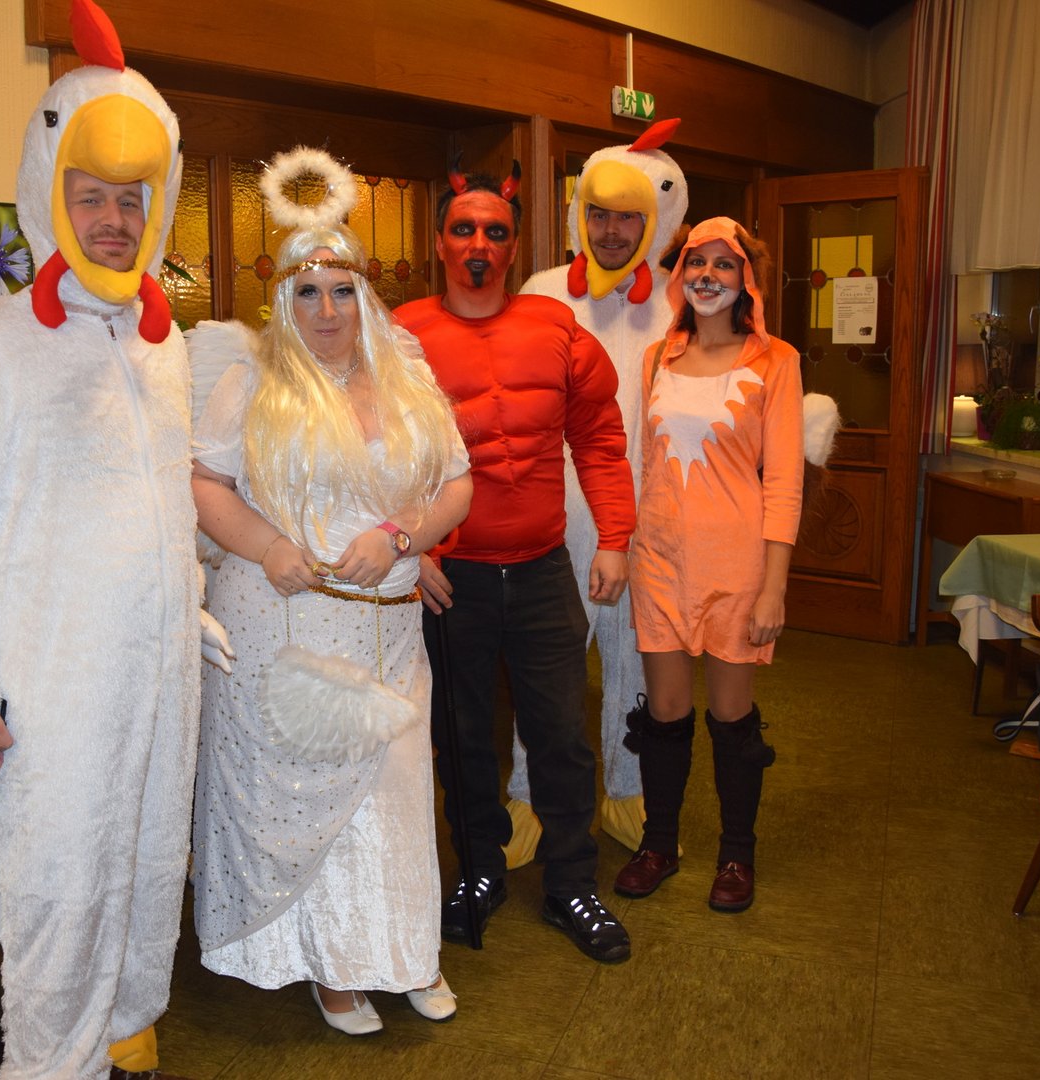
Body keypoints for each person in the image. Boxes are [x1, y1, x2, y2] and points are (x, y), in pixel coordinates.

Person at [0, 3, 231, 1077]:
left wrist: (187, 602)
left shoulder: (163, 349)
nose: (114, 220)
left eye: (132, 200)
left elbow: (162, 498)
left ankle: (125, 1031)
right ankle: (50, 1063)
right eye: (91, 196)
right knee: (62, 894)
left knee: (149, 863)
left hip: (158, 670)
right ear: (49, 193)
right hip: (51, 683)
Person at [189, 149, 473, 1036]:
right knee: (314, 804)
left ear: (364, 295)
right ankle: (331, 966)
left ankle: (404, 951)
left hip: (390, 632)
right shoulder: (251, 383)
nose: (326, 311)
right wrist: (269, 545)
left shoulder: (409, 377)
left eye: (341, 291)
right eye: (307, 293)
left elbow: (456, 483)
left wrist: (403, 537)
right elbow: (203, 485)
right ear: (282, 301)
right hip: (287, 632)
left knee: (394, 792)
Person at [395, 164, 636, 964]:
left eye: (495, 231)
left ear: (513, 247)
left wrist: (614, 537)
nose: (479, 243)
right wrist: (412, 547)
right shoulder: (399, 338)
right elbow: (371, 452)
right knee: (461, 736)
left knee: (561, 734)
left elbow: (599, 437)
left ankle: (572, 883)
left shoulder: (556, 328)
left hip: (540, 571)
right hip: (451, 578)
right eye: (464, 228)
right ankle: (479, 870)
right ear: (440, 242)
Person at [614, 216, 803, 915]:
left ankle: (736, 855)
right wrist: (622, 546)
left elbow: (784, 481)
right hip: (660, 559)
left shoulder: (776, 361)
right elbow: (642, 464)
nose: (709, 276)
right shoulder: (656, 359)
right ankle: (658, 845)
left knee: (730, 716)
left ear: (746, 279)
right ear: (681, 276)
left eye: (725, 265)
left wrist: (773, 587)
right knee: (664, 713)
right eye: (697, 262)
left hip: (737, 564)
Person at [514, 120, 688, 859]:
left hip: (652, 516)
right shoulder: (542, 293)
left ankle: (627, 790)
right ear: (579, 215)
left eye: (628, 217)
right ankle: (525, 798)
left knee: (636, 665)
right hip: (558, 515)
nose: (612, 231)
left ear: (656, 221)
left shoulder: (681, 301)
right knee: (548, 667)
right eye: (599, 214)